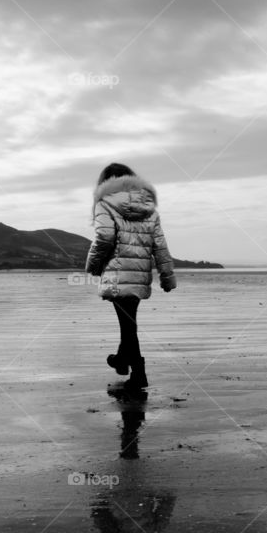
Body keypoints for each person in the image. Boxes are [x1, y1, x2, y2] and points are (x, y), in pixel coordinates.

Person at [85, 162, 175, 389]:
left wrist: (93, 266)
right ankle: (122, 361)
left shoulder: (104, 204)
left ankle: (138, 372)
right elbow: (160, 247)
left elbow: (104, 237)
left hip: (117, 275)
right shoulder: (149, 210)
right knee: (128, 322)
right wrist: (166, 276)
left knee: (128, 325)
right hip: (140, 275)